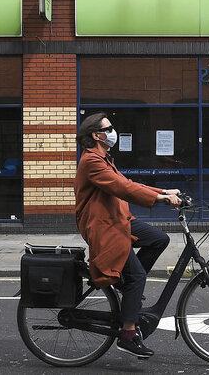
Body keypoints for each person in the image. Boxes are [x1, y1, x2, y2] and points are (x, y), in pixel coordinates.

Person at [74, 112, 181, 359]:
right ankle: (128, 335)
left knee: (159, 239)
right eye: (108, 128)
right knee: (138, 276)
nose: (113, 131)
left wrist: (162, 190)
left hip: (118, 221)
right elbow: (122, 188)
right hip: (105, 228)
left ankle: (126, 283)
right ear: (96, 135)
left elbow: (127, 181)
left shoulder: (103, 158)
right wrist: (159, 198)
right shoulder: (91, 161)